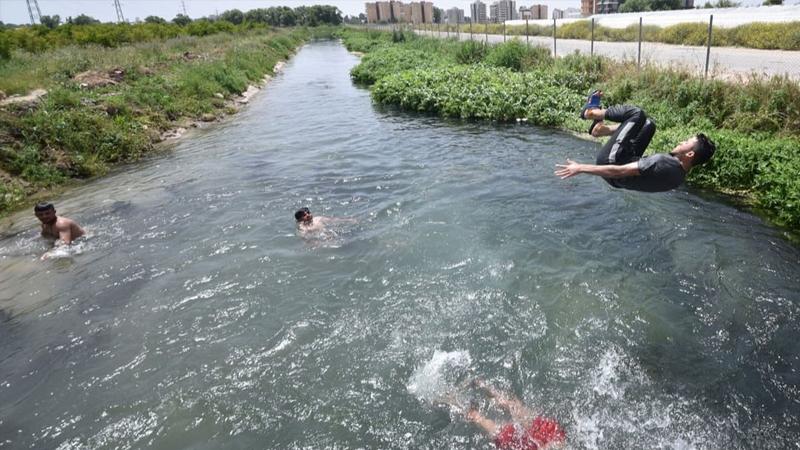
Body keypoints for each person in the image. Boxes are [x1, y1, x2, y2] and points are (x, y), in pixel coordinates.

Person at [555, 90, 716, 193]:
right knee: (648, 125)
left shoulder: (662, 162)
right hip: (624, 170)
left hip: (613, 162)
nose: (681, 141)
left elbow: (619, 171)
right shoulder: (680, 175)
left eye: (686, 142)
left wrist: (580, 168)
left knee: (637, 115)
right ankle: (600, 130)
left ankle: (590, 113)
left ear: (689, 153)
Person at [443, 379, 566, 450]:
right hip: (537, 443)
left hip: (549, 436)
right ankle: (453, 401)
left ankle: (483, 386)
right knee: (487, 423)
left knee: (517, 410)